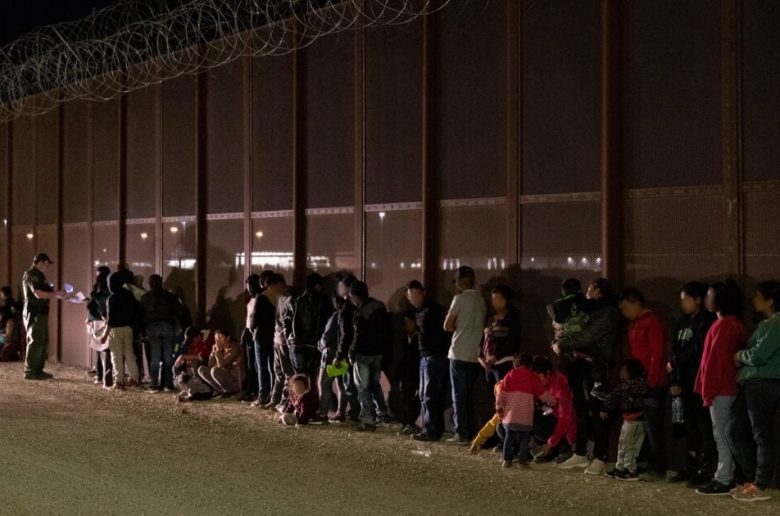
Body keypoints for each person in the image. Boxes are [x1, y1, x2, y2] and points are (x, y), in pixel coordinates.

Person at [555, 278, 620, 475]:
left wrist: (563, 343)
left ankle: (600, 456)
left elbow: (587, 335)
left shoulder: (609, 311)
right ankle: (580, 452)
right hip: (578, 363)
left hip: (595, 366)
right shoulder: (585, 309)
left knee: (597, 411)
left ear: (599, 290)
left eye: (590, 288)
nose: (586, 292)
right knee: (581, 410)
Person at [694, 280, 748, 496]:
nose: (707, 299)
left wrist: (707, 391)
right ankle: (729, 475)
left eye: (710, 295)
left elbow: (714, 363)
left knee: (721, 435)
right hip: (728, 387)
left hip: (721, 389)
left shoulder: (723, 326)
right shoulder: (733, 324)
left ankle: (724, 478)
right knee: (726, 434)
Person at [729, 281, 780, 503]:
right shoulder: (766, 323)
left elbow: (759, 355)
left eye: (758, 296)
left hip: (764, 382)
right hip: (753, 382)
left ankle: (761, 484)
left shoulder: (777, 323)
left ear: (770, 300)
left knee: (761, 434)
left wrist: (740, 356)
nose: (754, 299)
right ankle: (753, 479)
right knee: (734, 429)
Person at [667, 281, 717, 486]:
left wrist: (675, 362)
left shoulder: (708, 321)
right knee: (687, 426)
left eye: (686, 300)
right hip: (682, 383)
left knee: (704, 427)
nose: (683, 304)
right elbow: (674, 350)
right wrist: (674, 379)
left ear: (698, 299)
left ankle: (705, 469)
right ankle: (690, 466)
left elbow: (699, 351)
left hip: (699, 382)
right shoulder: (682, 322)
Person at [618, 287, 668, 482]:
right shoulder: (633, 324)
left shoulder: (651, 321)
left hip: (652, 383)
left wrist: (650, 382)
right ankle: (643, 463)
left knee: (653, 427)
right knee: (642, 427)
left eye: (625, 308)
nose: (624, 312)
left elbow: (657, 353)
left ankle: (658, 468)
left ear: (635, 303)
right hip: (639, 383)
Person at [444, 265, 487, 445]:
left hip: (459, 352)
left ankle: (461, 433)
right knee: (468, 395)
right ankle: (470, 431)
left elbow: (447, 325)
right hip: (474, 355)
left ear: (459, 283)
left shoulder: (459, 299)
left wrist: (457, 326)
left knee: (458, 396)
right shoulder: (482, 301)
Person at [405, 280, 449, 443]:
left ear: (423, 293)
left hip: (434, 355)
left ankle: (431, 430)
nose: (414, 299)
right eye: (411, 296)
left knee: (429, 394)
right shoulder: (418, 311)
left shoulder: (433, 309)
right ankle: (428, 428)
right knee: (424, 394)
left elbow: (441, 333)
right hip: (425, 355)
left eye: (416, 295)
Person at [349, 280, 392, 432]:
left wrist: (351, 352)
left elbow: (358, 336)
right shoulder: (380, 307)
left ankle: (368, 420)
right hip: (378, 353)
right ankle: (382, 413)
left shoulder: (360, 312)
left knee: (363, 388)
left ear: (355, 296)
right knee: (375, 384)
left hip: (363, 354)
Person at [602, 359, 649, 482]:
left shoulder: (637, 384)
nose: (621, 372)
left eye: (624, 370)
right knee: (622, 443)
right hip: (627, 419)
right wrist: (606, 408)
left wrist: (607, 407)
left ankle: (630, 470)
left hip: (636, 421)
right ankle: (620, 467)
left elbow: (615, 395)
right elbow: (614, 396)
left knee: (630, 446)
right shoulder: (626, 386)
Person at [289, 273, 332, 406]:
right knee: (315, 375)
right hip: (316, 342)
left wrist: (296, 338)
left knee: (301, 375)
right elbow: (325, 321)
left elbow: (295, 322)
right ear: (317, 285)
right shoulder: (323, 300)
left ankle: (300, 403)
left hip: (301, 342)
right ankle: (313, 402)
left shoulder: (299, 300)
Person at [22, 253, 67, 380]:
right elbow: (38, 294)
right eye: (46, 264)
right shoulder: (32, 274)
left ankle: (37, 370)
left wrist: (58, 294)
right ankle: (31, 371)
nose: (47, 267)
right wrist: (56, 293)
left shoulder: (40, 275)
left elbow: (47, 293)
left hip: (40, 311)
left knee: (42, 341)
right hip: (34, 312)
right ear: (39, 262)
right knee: (36, 340)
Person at [495, 354, 545, 468]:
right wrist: (552, 400)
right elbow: (542, 393)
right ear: (530, 365)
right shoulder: (532, 377)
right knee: (524, 438)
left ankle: (506, 460)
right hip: (525, 415)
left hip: (510, 415)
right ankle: (522, 462)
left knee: (509, 437)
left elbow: (500, 394)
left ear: (515, 364)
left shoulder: (508, 376)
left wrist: (499, 408)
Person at [140, 274, 182, 392]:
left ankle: (154, 383)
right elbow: (178, 310)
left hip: (152, 328)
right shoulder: (170, 296)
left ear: (150, 284)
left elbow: (141, 314)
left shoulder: (146, 297)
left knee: (155, 358)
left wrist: (143, 330)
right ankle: (168, 383)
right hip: (168, 326)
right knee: (168, 357)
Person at [531, 356, 576, 463]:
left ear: (547, 372)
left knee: (542, 421)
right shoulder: (541, 384)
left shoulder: (560, 384)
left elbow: (565, 419)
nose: (537, 382)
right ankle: (548, 450)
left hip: (567, 426)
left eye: (539, 377)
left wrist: (551, 442)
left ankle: (565, 449)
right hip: (551, 417)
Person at [100, 271, 141, 390]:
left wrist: (104, 334)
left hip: (115, 330)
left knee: (116, 356)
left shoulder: (111, 298)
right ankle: (135, 378)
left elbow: (111, 319)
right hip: (128, 328)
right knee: (129, 354)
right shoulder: (130, 295)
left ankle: (119, 381)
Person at [479, 285, 521, 387]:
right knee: (492, 392)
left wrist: (496, 356)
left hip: (505, 364)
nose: (495, 302)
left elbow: (513, 342)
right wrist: (480, 357)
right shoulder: (490, 319)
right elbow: (483, 340)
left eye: (499, 299)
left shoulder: (512, 318)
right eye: (493, 299)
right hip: (489, 365)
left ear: (507, 301)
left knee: (503, 392)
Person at [249, 274, 281, 407]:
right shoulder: (279, 297)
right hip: (274, 336)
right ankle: (274, 395)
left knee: (261, 367)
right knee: (273, 367)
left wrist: (252, 328)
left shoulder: (261, 297)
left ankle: (262, 395)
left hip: (261, 336)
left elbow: (255, 317)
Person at [317, 295, 349, 422]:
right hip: (344, 355)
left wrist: (320, 345)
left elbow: (327, 336)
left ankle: (322, 413)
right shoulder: (350, 314)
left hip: (331, 355)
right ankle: (341, 412)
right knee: (341, 384)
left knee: (324, 384)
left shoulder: (336, 316)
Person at [334, 274, 361, 421]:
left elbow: (345, 334)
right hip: (354, 350)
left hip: (347, 352)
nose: (339, 288)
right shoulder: (355, 306)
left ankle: (355, 411)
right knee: (352, 383)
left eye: (341, 286)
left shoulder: (346, 308)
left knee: (348, 384)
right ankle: (354, 410)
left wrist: (339, 354)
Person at [267, 274, 296, 410]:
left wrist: (288, 338)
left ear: (279, 284)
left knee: (287, 372)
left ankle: (286, 401)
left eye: (272, 287)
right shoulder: (280, 298)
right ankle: (275, 399)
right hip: (277, 339)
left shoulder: (290, 298)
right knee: (278, 371)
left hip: (284, 341)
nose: (271, 291)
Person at [396, 310, 421, 436]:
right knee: (404, 398)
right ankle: (407, 423)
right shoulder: (405, 338)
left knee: (411, 399)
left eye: (410, 322)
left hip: (415, 373)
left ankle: (411, 424)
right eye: (405, 322)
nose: (408, 325)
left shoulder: (419, 338)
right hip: (405, 373)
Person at [198, 329, 243, 397]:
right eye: (216, 339)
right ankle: (220, 390)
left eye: (221, 337)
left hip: (235, 381)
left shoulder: (235, 348)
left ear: (228, 338)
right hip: (223, 378)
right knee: (201, 369)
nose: (218, 341)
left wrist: (218, 352)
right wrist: (213, 352)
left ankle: (228, 391)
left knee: (215, 370)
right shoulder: (221, 349)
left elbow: (221, 365)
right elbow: (210, 365)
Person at [86, 266, 111, 384]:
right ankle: (105, 376)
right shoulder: (109, 289)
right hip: (105, 320)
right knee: (106, 349)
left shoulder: (96, 290)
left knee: (99, 349)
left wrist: (89, 318)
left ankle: (99, 375)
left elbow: (92, 306)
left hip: (96, 321)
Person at [240, 274, 262, 402]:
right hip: (249, 332)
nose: (249, 290)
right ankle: (251, 388)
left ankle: (256, 389)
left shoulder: (261, 299)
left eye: (250, 287)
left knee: (256, 364)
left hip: (256, 333)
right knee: (250, 364)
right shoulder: (252, 300)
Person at [0, 286, 22, 362]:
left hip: (8, 333)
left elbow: (8, 336)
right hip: (9, 332)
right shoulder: (13, 303)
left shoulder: (6, 307)